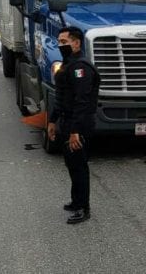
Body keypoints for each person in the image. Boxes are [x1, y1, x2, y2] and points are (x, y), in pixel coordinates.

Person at [47, 26, 100, 224]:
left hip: (80, 124)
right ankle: (75, 200)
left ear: (76, 43)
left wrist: (75, 131)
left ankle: (83, 208)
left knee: (79, 166)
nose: (61, 46)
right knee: (71, 163)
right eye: (59, 42)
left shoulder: (81, 68)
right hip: (67, 121)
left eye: (64, 42)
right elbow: (61, 97)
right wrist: (52, 121)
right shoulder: (69, 64)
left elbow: (82, 101)